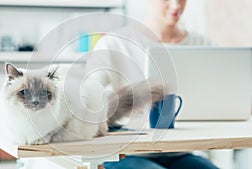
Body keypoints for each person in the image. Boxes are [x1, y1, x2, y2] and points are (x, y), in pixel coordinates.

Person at [84, 0, 218, 169]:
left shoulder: (202, 44)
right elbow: (89, 90)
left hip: (180, 151)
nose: (176, 5)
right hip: (126, 154)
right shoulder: (115, 43)